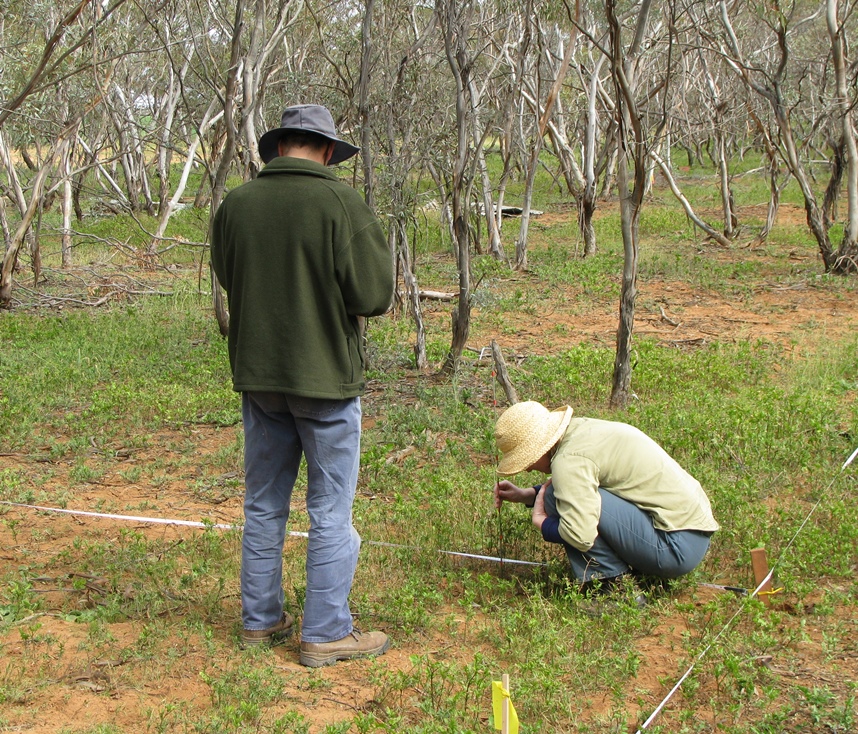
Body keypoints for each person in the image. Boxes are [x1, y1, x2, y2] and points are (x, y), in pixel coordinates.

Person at [210, 104, 394, 666]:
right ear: (327, 150)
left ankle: (260, 621)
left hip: (259, 378)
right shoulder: (341, 202)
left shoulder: (235, 205)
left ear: (280, 145)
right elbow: (375, 296)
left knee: (264, 505)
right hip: (326, 384)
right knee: (331, 509)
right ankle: (326, 631)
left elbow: (228, 271)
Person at [493, 401, 719, 592]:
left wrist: (543, 524)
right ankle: (632, 574)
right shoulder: (582, 431)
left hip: (673, 549)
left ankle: (613, 590)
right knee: (558, 496)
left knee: (555, 499)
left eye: (526, 461)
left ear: (540, 449)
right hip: (692, 535)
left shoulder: (568, 460)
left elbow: (580, 535)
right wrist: (527, 495)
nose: (528, 469)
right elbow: (586, 485)